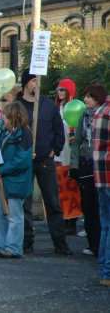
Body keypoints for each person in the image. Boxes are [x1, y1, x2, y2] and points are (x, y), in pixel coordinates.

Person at [17, 69, 71, 255]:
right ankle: (26, 242)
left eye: (37, 81)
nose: (36, 84)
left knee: (53, 202)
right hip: (24, 161)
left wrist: (54, 149)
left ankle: (60, 243)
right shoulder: (17, 106)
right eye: (33, 81)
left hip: (45, 161)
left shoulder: (48, 105)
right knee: (25, 202)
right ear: (25, 83)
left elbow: (58, 131)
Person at [0, 101, 33, 258]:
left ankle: (13, 248)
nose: (3, 119)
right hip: (1, 179)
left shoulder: (25, 134)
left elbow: (22, 160)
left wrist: (2, 170)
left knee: (15, 216)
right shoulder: (4, 133)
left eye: (6, 117)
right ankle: (1, 245)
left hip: (15, 181)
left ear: (14, 117)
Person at [70, 84, 105, 257]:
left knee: (101, 205)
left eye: (89, 97)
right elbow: (76, 142)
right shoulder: (83, 116)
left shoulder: (105, 115)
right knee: (88, 205)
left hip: (102, 165)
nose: (85, 100)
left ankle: (103, 245)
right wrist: (74, 165)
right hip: (85, 164)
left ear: (98, 98)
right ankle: (93, 244)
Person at [88, 84, 109, 287]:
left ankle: (104, 269)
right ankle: (107, 272)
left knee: (105, 226)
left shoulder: (99, 112)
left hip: (100, 177)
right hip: (108, 176)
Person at [55, 78, 81, 235]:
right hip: (59, 154)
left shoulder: (76, 107)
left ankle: (72, 221)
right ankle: (64, 219)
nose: (60, 92)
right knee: (60, 188)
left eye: (63, 89)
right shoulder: (56, 108)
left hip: (71, 154)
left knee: (71, 188)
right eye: (58, 89)